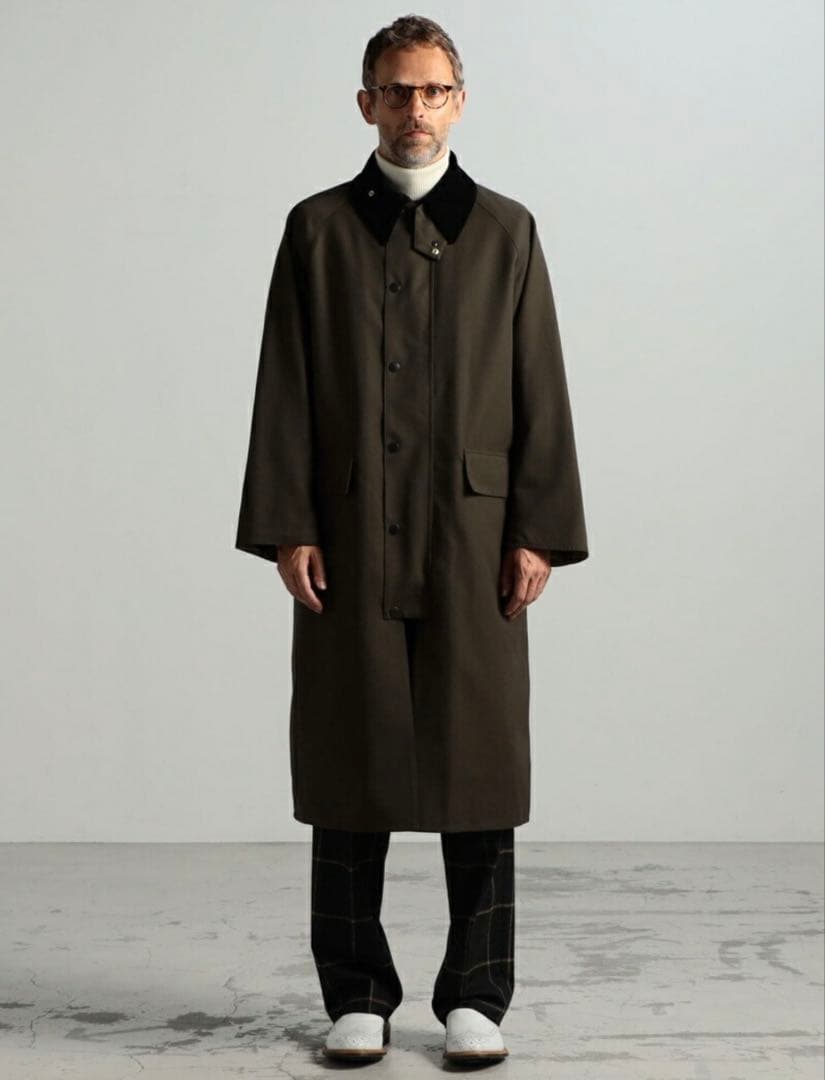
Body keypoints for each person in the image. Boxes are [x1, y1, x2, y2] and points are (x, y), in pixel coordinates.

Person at [235, 13, 589, 1064]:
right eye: (396, 91)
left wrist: (538, 530)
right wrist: (289, 522)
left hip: (473, 538)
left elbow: (540, 387)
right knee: (351, 758)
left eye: (434, 91)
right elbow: (286, 384)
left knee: (479, 767)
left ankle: (475, 994)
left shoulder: (508, 232)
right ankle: (356, 993)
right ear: (366, 103)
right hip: (349, 534)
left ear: (460, 103)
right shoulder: (316, 230)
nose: (415, 110)